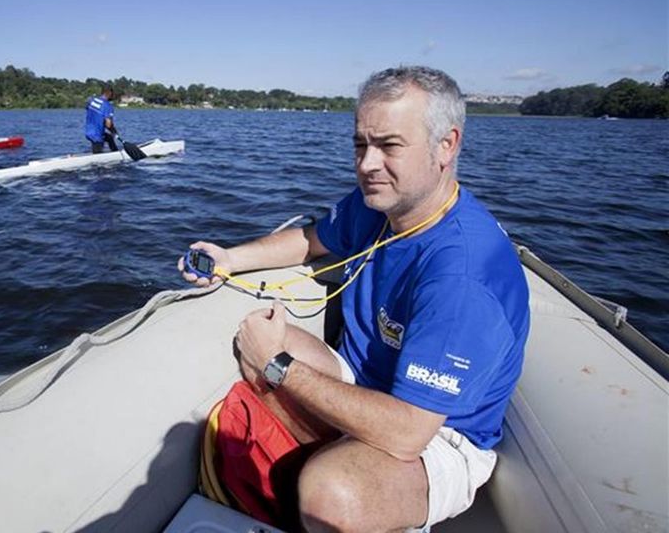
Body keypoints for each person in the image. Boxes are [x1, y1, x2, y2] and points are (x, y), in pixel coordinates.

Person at [180, 66, 529, 532]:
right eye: (360, 144)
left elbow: (407, 433)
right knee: (260, 338)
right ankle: (335, 463)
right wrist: (229, 258)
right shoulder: (381, 205)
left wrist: (278, 367)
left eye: (389, 146)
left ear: (447, 145)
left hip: (438, 436)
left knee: (332, 491)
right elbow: (312, 239)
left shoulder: (462, 277)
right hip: (369, 383)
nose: (366, 164)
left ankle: (345, 486)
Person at [84, 85, 118, 154]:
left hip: (88, 131)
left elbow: (87, 107)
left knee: (109, 138)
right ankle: (98, 158)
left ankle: (115, 152)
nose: (113, 95)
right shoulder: (108, 106)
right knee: (98, 157)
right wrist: (114, 131)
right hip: (97, 135)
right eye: (112, 93)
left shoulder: (92, 100)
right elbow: (108, 125)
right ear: (109, 93)